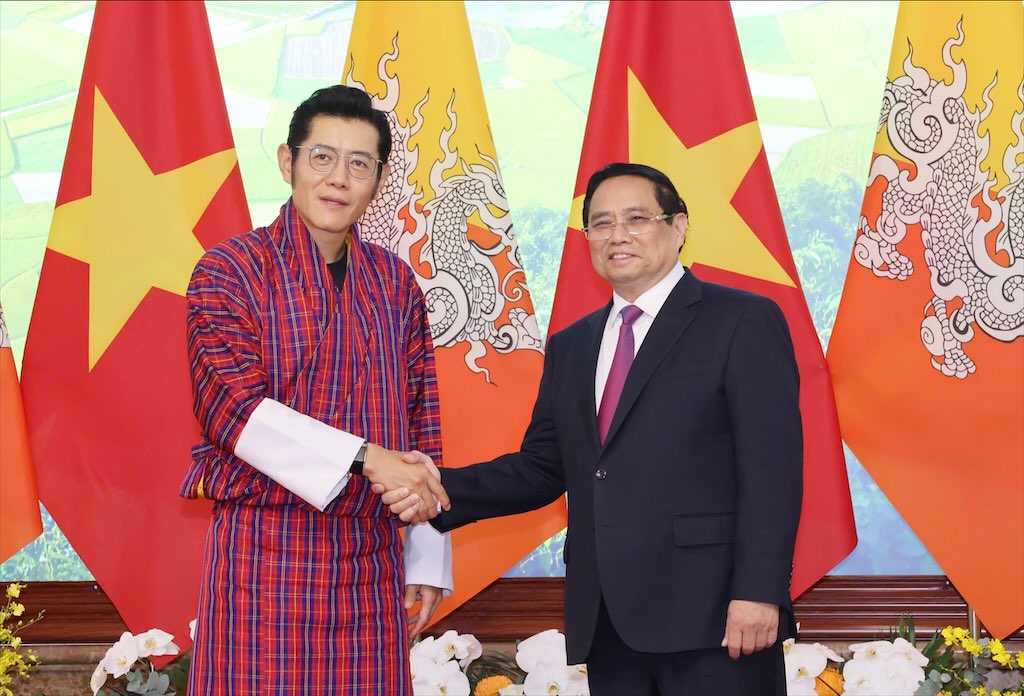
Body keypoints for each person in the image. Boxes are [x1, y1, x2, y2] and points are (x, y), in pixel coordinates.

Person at [383, 163, 803, 695]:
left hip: (715, 618)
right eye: (601, 223)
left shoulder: (742, 320)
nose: (617, 234)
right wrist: (435, 486)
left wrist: (760, 591)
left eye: (636, 218)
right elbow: (542, 467)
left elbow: (772, 471)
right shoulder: (572, 345)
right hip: (607, 622)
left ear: (678, 226)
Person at [181, 85, 452, 695]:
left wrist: (427, 549)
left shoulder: (395, 283)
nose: (338, 179)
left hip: (370, 560)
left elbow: (422, 423)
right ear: (288, 161)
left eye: (359, 164)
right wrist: (368, 457)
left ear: (378, 180)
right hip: (263, 554)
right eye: (322, 157)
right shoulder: (228, 270)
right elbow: (235, 415)